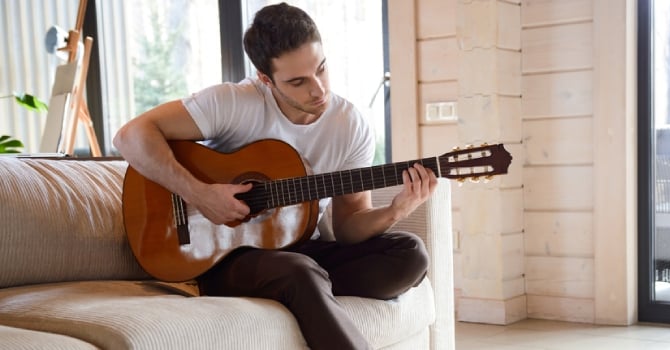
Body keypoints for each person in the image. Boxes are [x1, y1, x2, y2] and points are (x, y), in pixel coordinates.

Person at [113, 3, 436, 349]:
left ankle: (304, 293)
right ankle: (305, 290)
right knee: (297, 270)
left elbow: (347, 226)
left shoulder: (350, 125)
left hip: (298, 250)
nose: (318, 90)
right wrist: (199, 194)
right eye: (298, 82)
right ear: (265, 79)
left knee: (409, 254)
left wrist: (397, 209)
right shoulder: (233, 103)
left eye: (321, 69)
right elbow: (130, 135)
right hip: (222, 256)